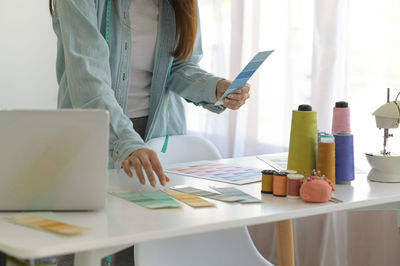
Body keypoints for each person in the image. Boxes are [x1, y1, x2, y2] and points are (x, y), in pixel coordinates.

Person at [51, 0, 250, 265]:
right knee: (88, 249)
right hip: (97, 135)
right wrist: (127, 142)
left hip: (157, 139)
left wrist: (214, 88)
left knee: (146, 253)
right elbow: (89, 79)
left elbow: (178, 66)